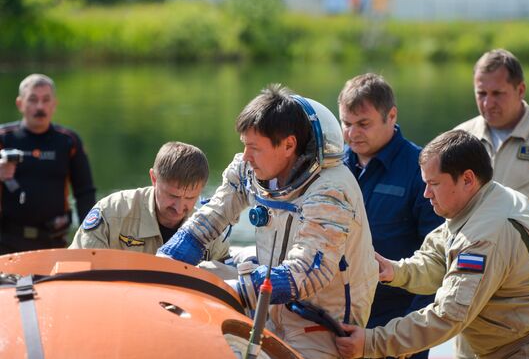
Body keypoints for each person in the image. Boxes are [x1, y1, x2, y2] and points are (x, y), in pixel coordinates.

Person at [158, 84, 378, 359]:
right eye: (245, 146)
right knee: (197, 276)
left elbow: (307, 272)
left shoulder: (330, 188)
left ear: (288, 145)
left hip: (321, 326)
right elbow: (208, 220)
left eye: (255, 148)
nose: (247, 156)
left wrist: (234, 290)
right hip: (269, 304)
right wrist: (164, 263)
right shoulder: (249, 169)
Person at [334, 129, 529, 359]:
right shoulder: (482, 201)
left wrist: (372, 342)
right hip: (492, 344)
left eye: (433, 183)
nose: (426, 193)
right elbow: (438, 259)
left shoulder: (485, 235)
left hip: (524, 348)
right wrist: (394, 271)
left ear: (467, 179)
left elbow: (448, 315)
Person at [338, 73, 444, 359]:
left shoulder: (421, 171)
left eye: (363, 124)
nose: (352, 133)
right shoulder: (332, 169)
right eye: (346, 124)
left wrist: (409, 337)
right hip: (338, 323)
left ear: (392, 116)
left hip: (396, 326)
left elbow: (438, 258)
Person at [70, 141, 229, 261]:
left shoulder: (209, 229)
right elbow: (78, 266)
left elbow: (225, 282)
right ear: (154, 178)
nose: (179, 208)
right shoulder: (112, 212)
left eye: (190, 198)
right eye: (172, 196)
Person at [0, 73, 95, 254]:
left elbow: (85, 193)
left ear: (54, 104)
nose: (40, 107)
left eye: (46, 100)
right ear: (20, 104)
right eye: (33, 100)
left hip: (54, 242)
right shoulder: (4, 138)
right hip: (6, 243)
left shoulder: (68, 141)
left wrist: (89, 237)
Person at [455, 48, 529, 228]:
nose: (488, 104)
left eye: (497, 93)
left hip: (527, 256)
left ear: (520, 90)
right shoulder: (459, 138)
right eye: (481, 94)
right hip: (468, 254)